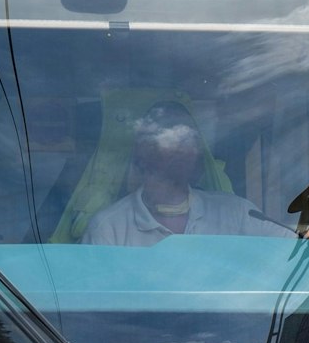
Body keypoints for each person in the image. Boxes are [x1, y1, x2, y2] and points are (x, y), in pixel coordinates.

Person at [82, 103, 293, 244]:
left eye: (189, 139)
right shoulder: (108, 228)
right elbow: (92, 296)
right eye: (171, 138)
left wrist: (307, 240)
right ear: (142, 152)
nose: (183, 149)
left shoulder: (237, 214)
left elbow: (295, 248)